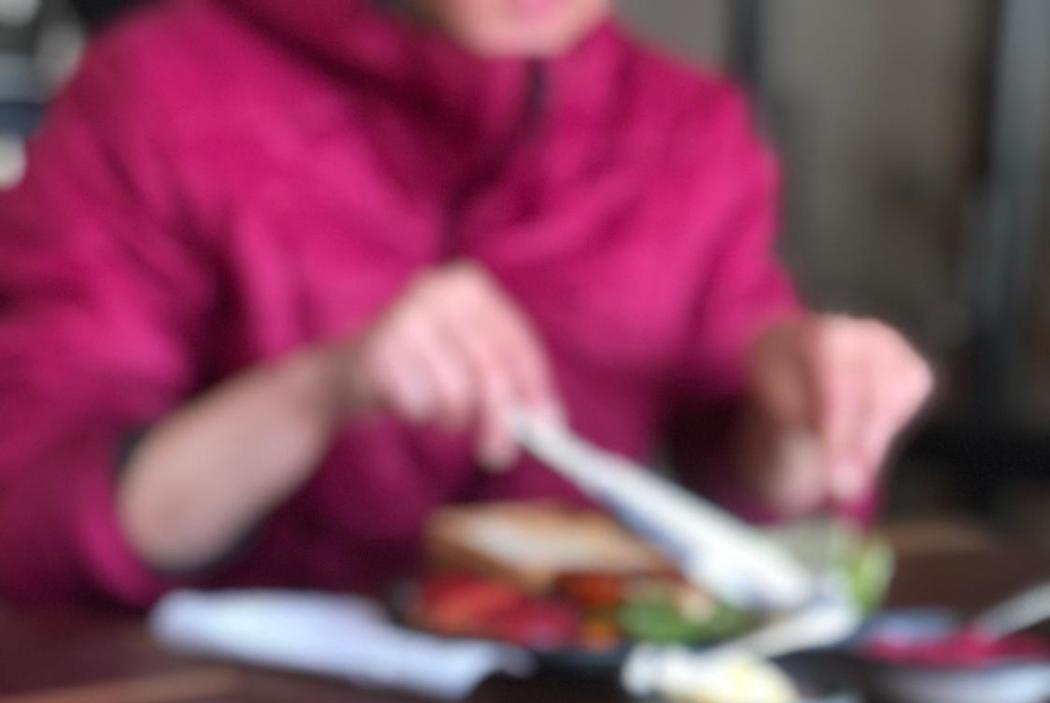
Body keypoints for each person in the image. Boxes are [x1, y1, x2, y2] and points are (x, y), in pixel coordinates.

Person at [0, 0, 932, 605]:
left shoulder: (693, 131)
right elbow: (28, 518)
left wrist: (798, 435)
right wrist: (317, 391)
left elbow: (753, 517)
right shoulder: (162, 89)